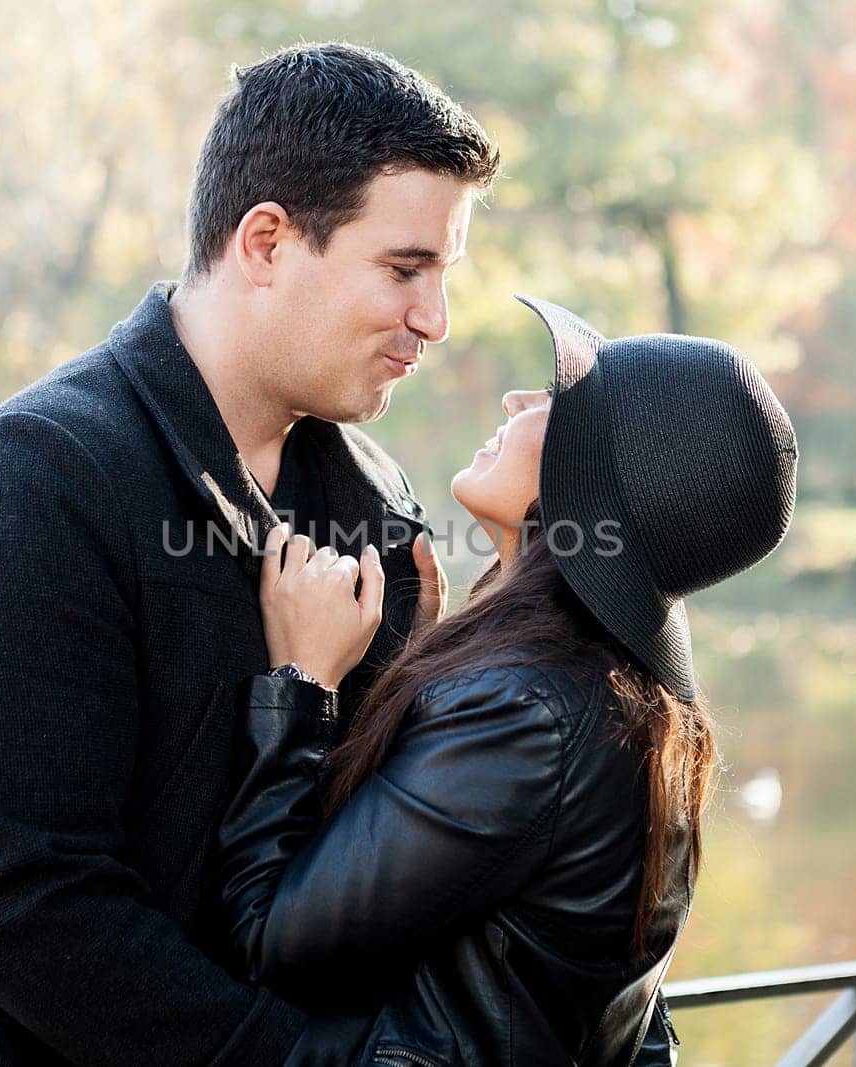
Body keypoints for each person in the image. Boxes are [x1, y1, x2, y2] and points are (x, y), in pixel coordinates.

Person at [0, 43, 497, 1065]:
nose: (433, 320)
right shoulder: (30, 482)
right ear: (265, 239)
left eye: (441, 275)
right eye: (404, 269)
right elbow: (29, 908)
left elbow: (365, 863)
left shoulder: (377, 499)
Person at [217, 295, 799, 1065]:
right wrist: (419, 663)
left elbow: (275, 941)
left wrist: (301, 682)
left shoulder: (527, 711)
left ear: (593, 480)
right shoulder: (611, 698)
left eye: (557, 401)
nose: (516, 399)